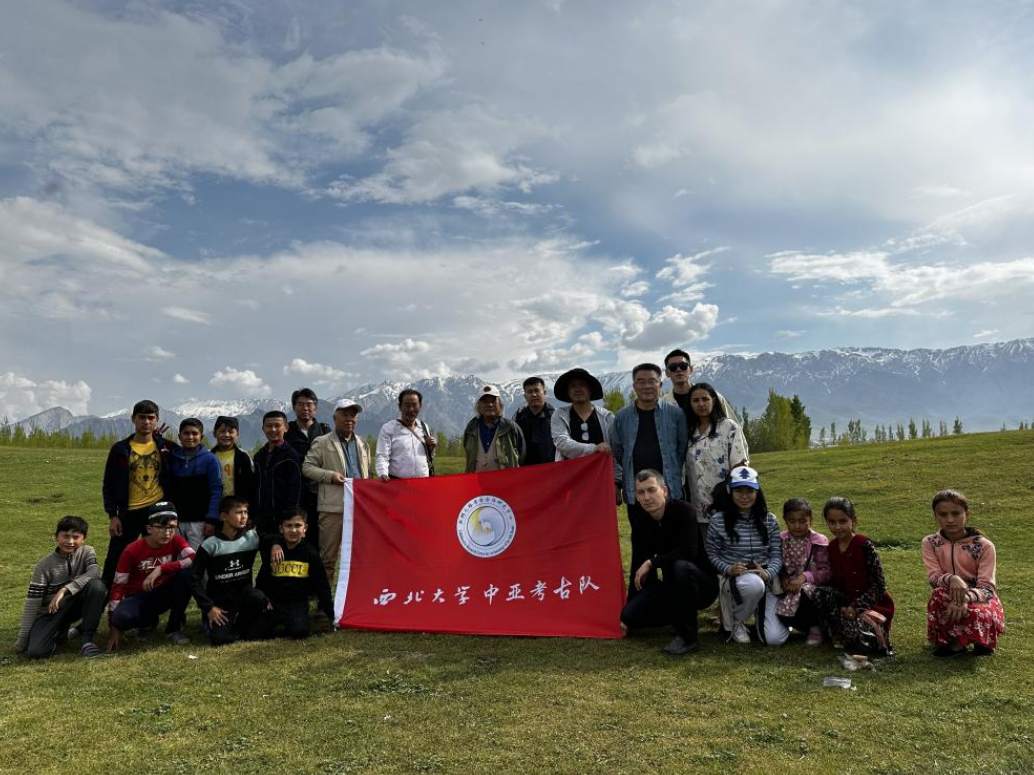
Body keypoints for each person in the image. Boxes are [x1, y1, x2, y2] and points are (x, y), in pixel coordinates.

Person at [619, 470, 719, 655]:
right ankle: (676, 616)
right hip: (673, 586)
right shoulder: (641, 524)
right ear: (637, 497)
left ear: (663, 490)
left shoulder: (684, 511)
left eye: (651, 490)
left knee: (681, 566)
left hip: (702, 585)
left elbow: (688, 552)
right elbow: (637, 568)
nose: (647, 497)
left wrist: (652, 562)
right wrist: (627, 613)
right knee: (630, 615)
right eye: (641, 492)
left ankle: (688, 637)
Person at [705, 466, 787, 646]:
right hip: (735, 579)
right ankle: (735, 622)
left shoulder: (769, 519)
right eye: (739, 491)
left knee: (775, 639)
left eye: (749, 491)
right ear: (730, 491)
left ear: (757, 492)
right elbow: (712, 552)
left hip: (765, 578)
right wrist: (728, 568)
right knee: (754, 585)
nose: (744, 496)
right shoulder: (719, 520)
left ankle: (757, 614)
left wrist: (768, 573)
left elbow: (776, 553)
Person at [100, 399, 175, 587]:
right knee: (116, 559)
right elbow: (108, 483)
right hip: (129, 513)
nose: (146, 422)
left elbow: (189, 455)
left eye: (151, 418)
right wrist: (113, 515)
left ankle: (156, 596)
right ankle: (104, 598)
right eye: (142, 417)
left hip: (156, 511)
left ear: (157, 420)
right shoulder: (120, 449)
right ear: (133, 419)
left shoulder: (166, 448)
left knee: (159, 557)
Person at [806, 497, 894, 654]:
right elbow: (833, 584)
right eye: (832, 522)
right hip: (845, 606)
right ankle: (838, 633)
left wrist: (856, 607)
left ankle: (854, 635)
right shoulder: (831, 547)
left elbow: (879, 585)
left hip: (870, 606)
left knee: (866, 637)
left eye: (843, 521)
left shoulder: (864, 545)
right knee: (820, 592)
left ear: (853, 519)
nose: (837, 527)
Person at [921, 489, 1004, 657]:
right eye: (943, 514)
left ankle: (968, 643)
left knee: (978, 611)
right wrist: (952, 579)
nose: (950, 520)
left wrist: (965, 598)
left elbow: (987, 588)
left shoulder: (984, 546)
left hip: (979, 597)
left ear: (967, 514)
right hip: (948, 593)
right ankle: (957, 641)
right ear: (935, 516)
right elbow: (934, 578)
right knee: (938, 595)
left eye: (956, 513)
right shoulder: (930, 543)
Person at [14, 516, 107, 659]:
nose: (70, 541)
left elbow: (94, 573)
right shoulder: (43, 566)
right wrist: (22, 640)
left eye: (75, 537)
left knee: (97, 586)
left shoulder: (87, 552)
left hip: (75, 605)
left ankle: (87, 640)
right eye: (66, 536)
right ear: (57, 537)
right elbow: (32, 604)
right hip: (50, 612)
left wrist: (65, 590)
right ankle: (62, 633)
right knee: (36, 652)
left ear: (83, 539)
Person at [107, 502, 195, 650]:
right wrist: (114, 624)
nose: (167, 533)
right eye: (161, 527)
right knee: (121, 617)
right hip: (138, 597)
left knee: (188, 575)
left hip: (164, 592)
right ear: (149, 529)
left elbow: (194, 558)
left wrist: (162, 569)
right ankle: (148, 622)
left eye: (171, 527)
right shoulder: (131, 550)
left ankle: (173, 628)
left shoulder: (176, 540)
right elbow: (118, 585)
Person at [303, 398, 371, 583]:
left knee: (360, 557)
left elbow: (367, 473)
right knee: (328, 558)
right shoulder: (322, 442)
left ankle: (356, 596)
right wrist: (330, 476)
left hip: (360, 509)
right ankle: (324, 599)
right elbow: (307, 468)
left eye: (353, 415)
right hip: (333, 508)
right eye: (345, 414)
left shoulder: (362, 443)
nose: (349, 418)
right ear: (335, 417)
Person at [190, 496, 269, 646]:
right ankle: (210, 622)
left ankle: (241, 624)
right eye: (238, 512)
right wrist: (209, 607)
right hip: (220, 602)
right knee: (221, 640)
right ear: (223, 516)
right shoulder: (210, 545)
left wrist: (276, 545)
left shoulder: (252, 538)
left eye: (245, 512)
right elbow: (193, 579)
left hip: (245, 597)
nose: (244, 516)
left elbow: (274, 540)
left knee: (257, 598)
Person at [253, 509, 335, 639]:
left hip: (297, 603)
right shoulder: (273, 550)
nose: (293, 530)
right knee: (254, 634)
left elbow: (321, 585)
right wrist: (264, 599)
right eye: (288, 526)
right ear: (281, 528)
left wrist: (332, 615)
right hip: (273, 602)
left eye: (298, 525)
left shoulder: (310, 553)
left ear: (305, 528)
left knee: (299, 631)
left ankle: (291, 623)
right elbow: (262, 578)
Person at [684, 382, 749, 528]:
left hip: (727, 503)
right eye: (695, 400)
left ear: (713, 400)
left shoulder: (728, 427)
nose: (701, 404)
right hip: (699, 507)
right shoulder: (689, 431)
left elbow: (740, 465)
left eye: (705, 399)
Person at [775, 498, 830, 645]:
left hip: (810, 584)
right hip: (788, 582)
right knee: (772, 587)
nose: (797, 526)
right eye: (792, 521)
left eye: (802, 521)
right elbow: (776, 561)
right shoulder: (781, 539)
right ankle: (787, 623)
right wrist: (783, 576)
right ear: (785, 520)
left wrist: (804, 577)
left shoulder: (819, 541)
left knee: (805, 592)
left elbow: (826, 571)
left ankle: (814, 628)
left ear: (811, 520)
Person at [286, 388, 331, 550]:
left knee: (319, 539)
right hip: (294, 494)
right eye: (300, 404)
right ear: (294, 407)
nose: (305, 408)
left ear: (315, 408)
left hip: (320, 495)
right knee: (295, 538)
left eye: (309, 404)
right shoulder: (286, 431)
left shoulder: (325, 431)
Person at [167, 417, 222, 550]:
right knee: (176, 555)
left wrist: (211, 519)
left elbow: (216, 490)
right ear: (179, 436)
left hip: (200, 522)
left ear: (201, 437)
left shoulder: (210, 460)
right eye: (186, 433)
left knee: (197, 557)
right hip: (176, 520)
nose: (190, 437)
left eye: (194, 433)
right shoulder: (171, 459)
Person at [660, 348, 741, 426]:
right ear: (667, 373)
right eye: (673, 367)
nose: (678, 370)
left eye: (683, 365)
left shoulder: (712, 396)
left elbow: (733, 427)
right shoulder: (663, 404)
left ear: (691, 369)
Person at [252, 410, 302, 535]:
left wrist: (289, 516)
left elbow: (295, 487)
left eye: (277, 425)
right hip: (261, 518)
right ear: (263, 428)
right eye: (269, 426)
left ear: (286, 428)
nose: (273, 429)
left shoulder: (291, 455)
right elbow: (254, 486)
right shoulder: (259, 456)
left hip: (282, 519)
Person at [550, 368, 614, 461]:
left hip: (601, 469)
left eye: (582, 385)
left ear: (590, 390)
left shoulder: (607, 417)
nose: (578, 389)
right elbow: (562, 442)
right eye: (573, 386)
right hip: (570, 470)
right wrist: (594, 448)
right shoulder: (559, 415)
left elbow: (614, 447)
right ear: (568, 392)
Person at [375, 389, 436, 480]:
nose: (411, 409)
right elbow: (382, 456)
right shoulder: (388, 428)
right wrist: (383, 473)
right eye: (407, 405)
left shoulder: (424, 427)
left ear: (420, 407)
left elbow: (428, 457)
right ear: (400, 407)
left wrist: (430, 449)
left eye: (414, 405)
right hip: (398, 483)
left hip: (423, 482)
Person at [463, 385, 526, 473]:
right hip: (476, 480)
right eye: (485, 401)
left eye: (493, 401)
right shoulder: (471, 429)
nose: (489, 405)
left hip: (506, 480)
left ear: (500, 404)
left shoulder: (511, 427)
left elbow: (522, 456)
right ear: (479, 406)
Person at [211, 415, 256, 511]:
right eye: (222, 431)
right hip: (214, 508)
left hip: (237, 509)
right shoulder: (209, 456)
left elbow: (251, 486)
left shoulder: (243, 457)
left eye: (231, 432)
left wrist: (250, 511)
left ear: (237, 435)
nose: (226, 435)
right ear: (214, 433)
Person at [513, 376, 556, 466]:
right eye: (530, 392)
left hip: (550, 468)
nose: (534, 395)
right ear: (525, 396)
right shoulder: (519, 418)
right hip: (525, 469)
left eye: (537, 391)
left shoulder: (555, 417)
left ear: (544, 393)